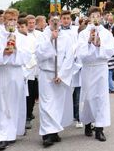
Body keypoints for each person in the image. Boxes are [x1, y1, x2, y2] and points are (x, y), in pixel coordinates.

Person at [0, 8, 30, 151]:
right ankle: (1, 135)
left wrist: (16, 49)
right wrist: (3, 52)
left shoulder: (22, 37)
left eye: (15, 20)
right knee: (1, 104)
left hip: (15, 73)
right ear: (4, 21)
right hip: (2, 72)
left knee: (13, 104)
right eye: (10, 20)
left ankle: (11, 133)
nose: (12, 22)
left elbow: (27, 57)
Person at [36, 13, 75, 147]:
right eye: (53, 20)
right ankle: (47, 134)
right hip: (46, 74)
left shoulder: (66, 37)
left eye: (57, 21)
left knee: (58, 105)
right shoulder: (42, 36)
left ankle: (54, 132)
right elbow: (39, 54)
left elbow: (69, 57)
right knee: (46, 104)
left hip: (59, 76)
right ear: (48, 21)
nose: (55, 23)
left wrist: (62, 74)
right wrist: (51, 40)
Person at [77, 7, 114, 141]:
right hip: (88, 68)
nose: (95, 18)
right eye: (93, 15)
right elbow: (80, 53)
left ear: (101, 17)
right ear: (89, 17)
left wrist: (100, 46)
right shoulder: (82, 34)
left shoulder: (106, 33)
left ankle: (100, 128)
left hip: (100, 68)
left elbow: (111, 50)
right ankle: (88, 123)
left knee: (101, 97)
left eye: (98, 15)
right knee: (88, 97)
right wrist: (89, 41)